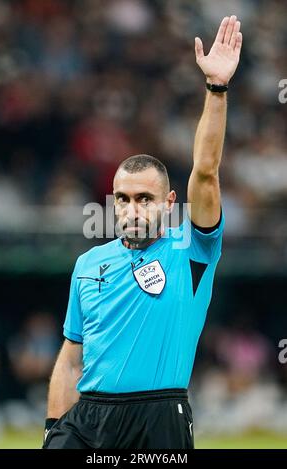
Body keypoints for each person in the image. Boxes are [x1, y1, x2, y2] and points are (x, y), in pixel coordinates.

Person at [43, 15, 243, 449]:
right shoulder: (89, 263)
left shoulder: (191, 250)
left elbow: (206, 173)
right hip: (88, 418)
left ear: (169, 203)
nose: (132, 208)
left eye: (145, 198)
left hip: (158, 417)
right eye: (123, 197)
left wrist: (216, 89)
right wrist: (53, 427)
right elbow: (71, 357)